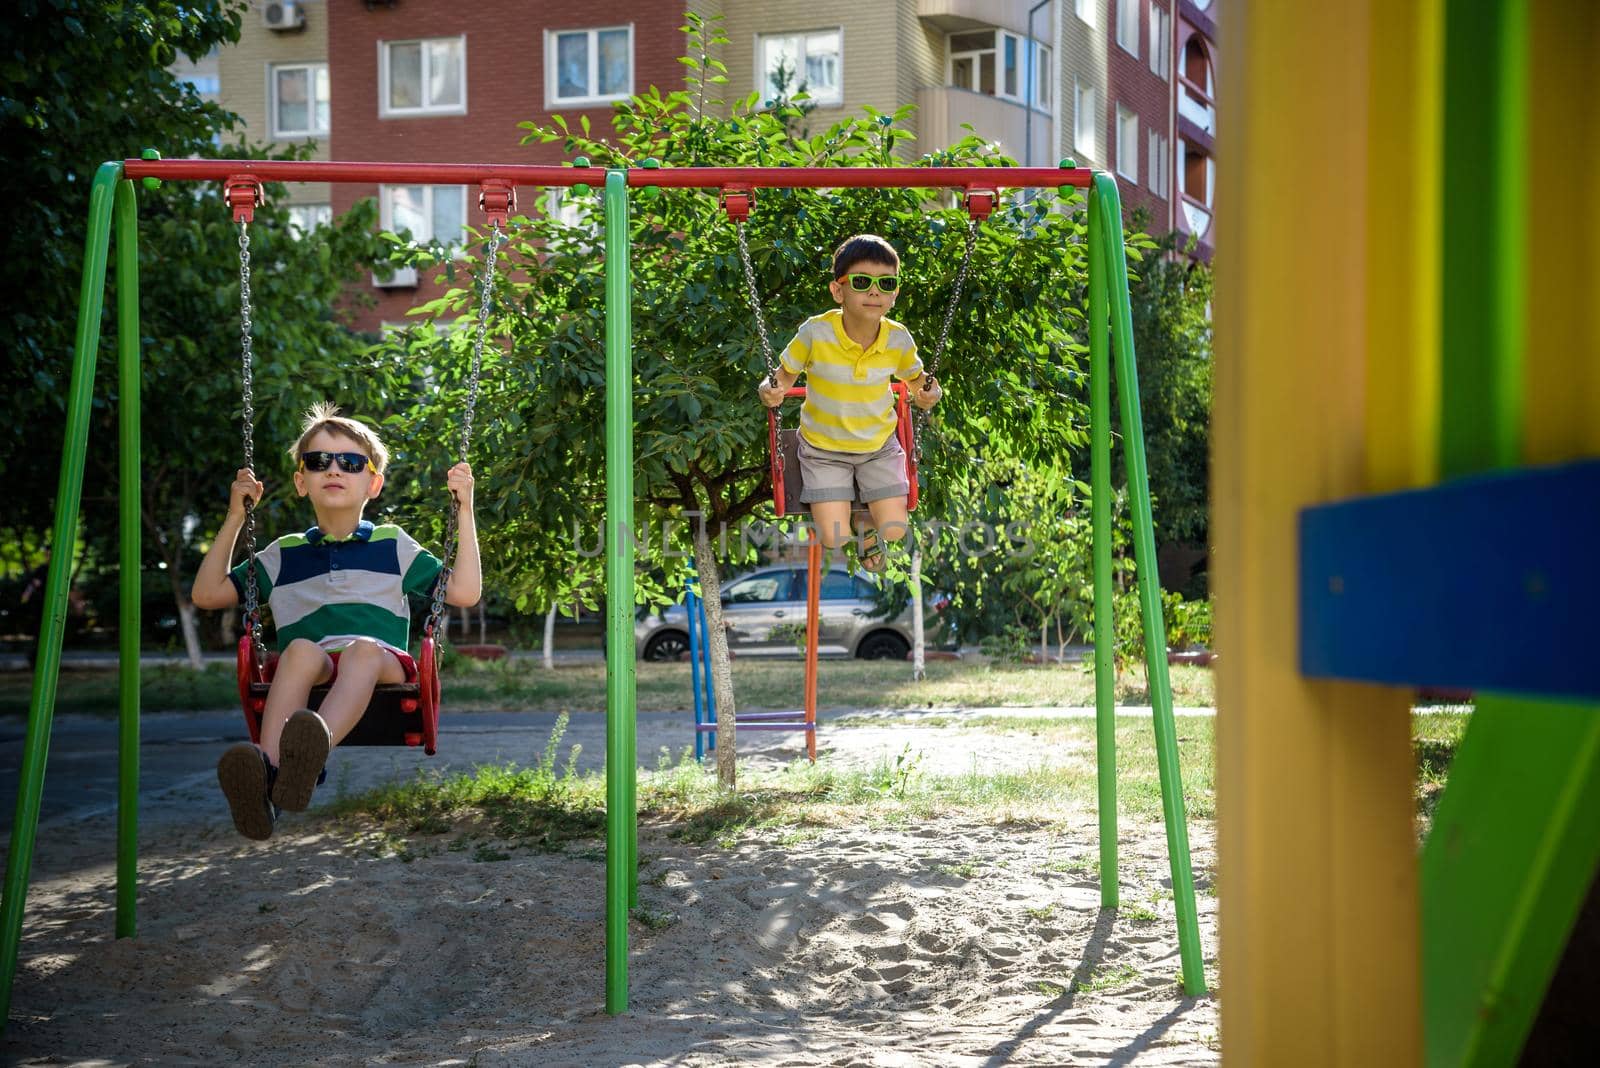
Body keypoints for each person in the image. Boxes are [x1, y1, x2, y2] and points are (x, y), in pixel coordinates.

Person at [191, 403, 481, 839]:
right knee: (300, 651)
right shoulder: (283, 553)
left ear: (374, 482)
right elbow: (207, 594)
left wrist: (465, 509)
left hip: (381, 667)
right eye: (317, 461)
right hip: (318, 667)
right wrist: (237, 515)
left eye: (350, 462)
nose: (333, 469)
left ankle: (311, 754)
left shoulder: (392, 544)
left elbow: (464, 592)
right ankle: (269, 779)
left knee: (363, 649)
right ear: (300, 482)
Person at [758, 234, 942, 571]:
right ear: (838, 290)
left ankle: (867, 524)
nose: (875, 292)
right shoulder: (815, 332)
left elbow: (918, 381)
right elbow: (782, 377)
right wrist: (770, 390)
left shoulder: (897, 338)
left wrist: (930, 393)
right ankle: (858, 525)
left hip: (878, 446)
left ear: (895, 293)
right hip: (823, 449)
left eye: (886, 283)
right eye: (862, 281)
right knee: (833, 537)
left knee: (895, 529)